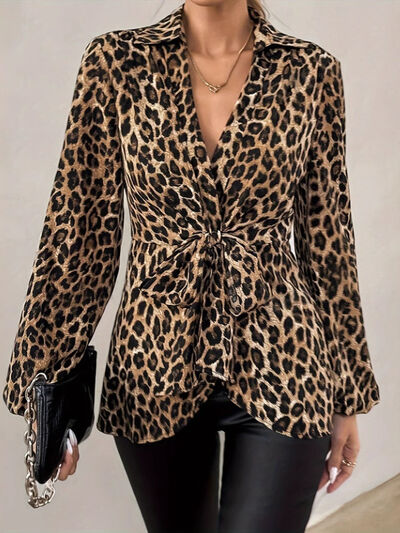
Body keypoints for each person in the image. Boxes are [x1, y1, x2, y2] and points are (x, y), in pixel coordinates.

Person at [3, 0, 381, 531]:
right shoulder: (116, 63)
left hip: (285, 359)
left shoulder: (310, 72)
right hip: (152, 365)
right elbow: (78, 232)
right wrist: (46, 386)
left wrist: (348, 396)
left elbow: (329, 241)